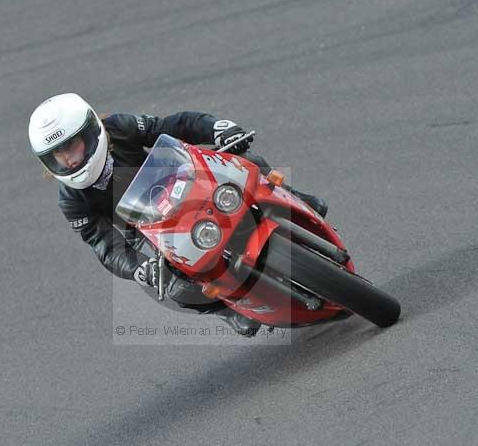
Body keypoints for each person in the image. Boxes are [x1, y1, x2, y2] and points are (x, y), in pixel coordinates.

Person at [28, 93, 328, 336]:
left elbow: (174, 125)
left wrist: (217, 128)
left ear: (91, 132)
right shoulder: (71, 200)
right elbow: (103, 244)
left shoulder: (118, 127)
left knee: (243, 161)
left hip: (180, 180)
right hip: (149, 227)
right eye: (58, 154)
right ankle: (227, 310)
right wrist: (138, 267)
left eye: (72, 145)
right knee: (175, 287)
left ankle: (296, 198)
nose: (68, 159)